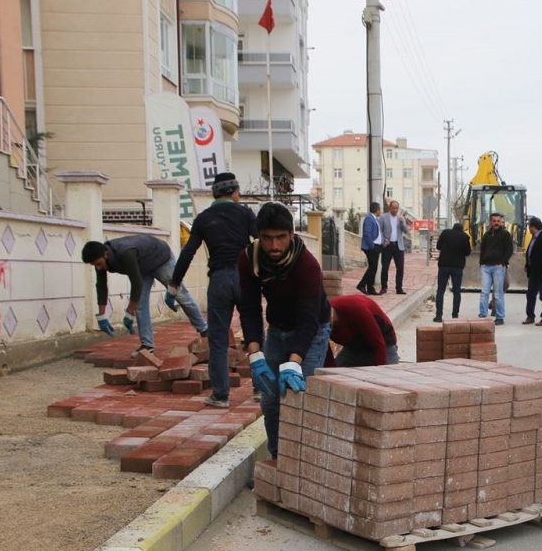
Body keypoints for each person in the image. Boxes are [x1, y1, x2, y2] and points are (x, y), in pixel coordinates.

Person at [238, 202, 332, 459]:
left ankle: (307, 463)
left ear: (292, 235)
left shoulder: (307, 266)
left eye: (281, 237)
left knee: (300, 398)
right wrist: (255, 354)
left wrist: (294, 363)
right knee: (270, 401)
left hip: (312, 331)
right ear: (258, 236)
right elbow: (249, 307)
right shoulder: (249, 259)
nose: (275, 246)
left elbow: (309, 319)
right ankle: (279, 463)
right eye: (267, 238)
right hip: (277, 330)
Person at [168, 172, 257, 408]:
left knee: (217, 340)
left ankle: (220, 395)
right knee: (255, 335)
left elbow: (188, 252)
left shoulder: (204, 218)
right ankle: (261, 389)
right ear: (235, 192)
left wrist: (174, 284)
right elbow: (262, 242)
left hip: (218, 280)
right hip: (245, 278)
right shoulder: (245, 213)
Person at [82, 235, 207, 357]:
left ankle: (205, 331)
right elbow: (101, 287)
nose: (98, 267)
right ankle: (147, 346)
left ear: (105, 254)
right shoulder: (101, 260)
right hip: (142, 266)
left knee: (180, 295)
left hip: (160, 258)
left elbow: (136, 284)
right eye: (95, 265)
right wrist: (102, 317)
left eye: (98, 263)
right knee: (140, 305)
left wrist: (129, 313)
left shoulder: (125, 252)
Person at [328, 294, 400, 367]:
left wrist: (378, 373)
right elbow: (325, 351)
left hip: (384, 344)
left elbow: (379, 344)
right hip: (353, 348)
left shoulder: (356, 309)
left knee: (389, 373)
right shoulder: (320, 321)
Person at [478, 211, 513, 325]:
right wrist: (482, 262)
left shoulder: (505, 235)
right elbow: (482, 249)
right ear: (490, 222)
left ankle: (499, 316)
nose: (496, 223)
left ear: (501, 222)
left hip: (498, 267)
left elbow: (509, 250)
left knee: (498, 293)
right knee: (484, 291)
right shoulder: (487, 235)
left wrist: (503, 262)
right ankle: (483, 314)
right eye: (494, 221)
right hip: (486, 267)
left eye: (498, 221)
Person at [434, 221, 471, 322]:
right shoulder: (465, 237)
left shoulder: (445, 233)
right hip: (457, 267)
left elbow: (438, 246)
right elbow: (467, 252)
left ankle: (438, 315)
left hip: (444, 265)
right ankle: (455, 315)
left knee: (440, 290)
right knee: (456, 291)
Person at [522, 217, 542, 327]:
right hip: (533, 273)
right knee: (530, 295)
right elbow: (531, 254)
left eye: (529, 226)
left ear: (533, 227)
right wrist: (527, 265)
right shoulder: (533, 238)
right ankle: (530, 316)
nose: (528, 229)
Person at [378, 199, 408, 294]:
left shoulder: (401, 218)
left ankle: (399, 288)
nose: (395, 210)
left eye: (396, 208)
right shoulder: (383, 217)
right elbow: (379, 231)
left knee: (400, 268)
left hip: (398, 246)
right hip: (387, 246)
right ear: (390, 208)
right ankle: (384, 287)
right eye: (393, 208)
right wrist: (383, 240)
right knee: (385, 267)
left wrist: (403, 223)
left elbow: (406, 231)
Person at [356, 202, 383, 296]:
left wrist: (383, 242)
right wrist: (372, 246)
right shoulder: (369, 219)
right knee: (372, 267)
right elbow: (367, 234)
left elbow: (378, 233)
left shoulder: (375, 219)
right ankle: (362, 285)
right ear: (377, 210)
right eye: (380, 209)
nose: (381, 211)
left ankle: (369, 288)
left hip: (376, 246)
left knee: (373, 268)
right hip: (371, 247)